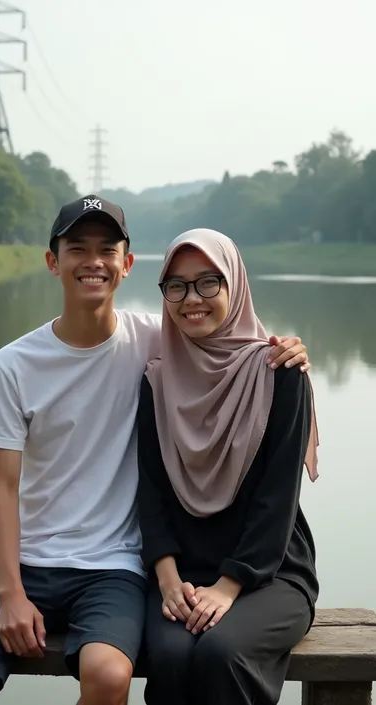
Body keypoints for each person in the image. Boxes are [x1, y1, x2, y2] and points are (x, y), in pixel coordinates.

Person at [0, 198, 311, 705]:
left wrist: (289, 351)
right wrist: (10, 592)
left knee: (112, 674)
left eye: (108, 250)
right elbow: (2, 486)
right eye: (77, 248)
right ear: (52, 261)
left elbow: (230, 343)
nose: (93, 262)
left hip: (115, 566)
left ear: (127, 264)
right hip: (34, 562)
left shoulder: (162, 342)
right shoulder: (18, 365)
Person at [137, 228, 319, 705]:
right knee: (171, 656)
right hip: (181, 575)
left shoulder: (279, 374)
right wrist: (168, 578)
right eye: (175, 285)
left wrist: (229, 585)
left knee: (223, 651)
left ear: (235, 285)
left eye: (208, 282)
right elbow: (150, 493)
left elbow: (278, 498)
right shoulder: (157, 382)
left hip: (270, 572)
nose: (190, 299)